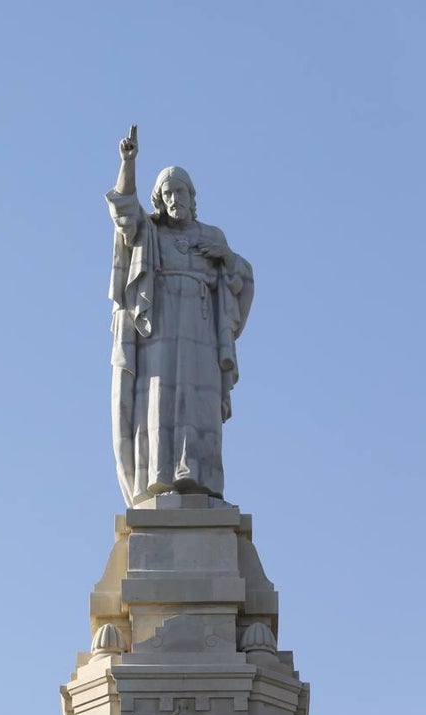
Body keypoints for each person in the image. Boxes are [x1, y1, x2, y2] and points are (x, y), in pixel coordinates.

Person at [107, 124, 254, 506]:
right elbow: (123, 212)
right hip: (160, 330)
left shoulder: (213, 236)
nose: (175, 199)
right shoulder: (152, 233)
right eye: (168, 193)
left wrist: (227, 259)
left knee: (199, 402)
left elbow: (241, 279)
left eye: (181, 191)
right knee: (160, 399)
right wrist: (129, 163)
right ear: (159, 200)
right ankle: (161, 477)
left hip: (203, 328)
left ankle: (201, 479)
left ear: (192, 196)